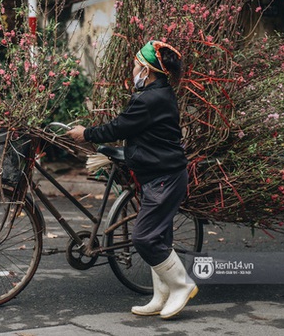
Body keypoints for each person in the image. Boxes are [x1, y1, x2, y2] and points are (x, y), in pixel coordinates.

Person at [67, 40, 197, 319]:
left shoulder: (150, 99)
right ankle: (160, 297)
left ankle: (182, 285)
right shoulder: (157, 93)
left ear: (147, 70)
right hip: (157, 175)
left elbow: (119, 126)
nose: (133, 70)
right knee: (159, 238)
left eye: (136, 66)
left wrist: (86, 133)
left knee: (144, 237)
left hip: (165, 177)